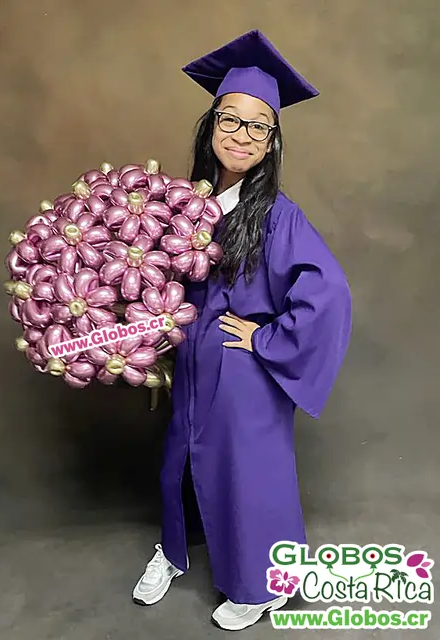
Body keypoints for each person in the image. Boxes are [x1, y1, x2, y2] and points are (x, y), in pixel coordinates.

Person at [132, 30, 352, 630]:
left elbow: (327, 293)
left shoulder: (279, 215)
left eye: (259, 126)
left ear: (274, 139)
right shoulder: (185, 203)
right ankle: (173, 551)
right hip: (193, 363)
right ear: (210, 126)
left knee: (250, 473)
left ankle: (262, 585)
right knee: (179, 459)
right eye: (230, 119)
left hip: (243, 369)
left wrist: (264, 339)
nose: (241, 135)